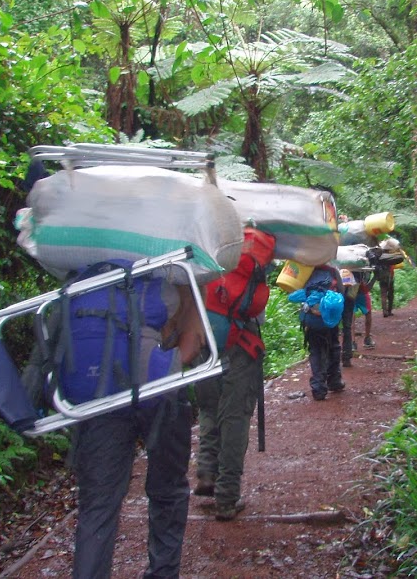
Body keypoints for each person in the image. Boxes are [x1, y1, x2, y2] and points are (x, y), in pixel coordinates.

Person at [71, 284, 205, 579]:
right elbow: (193, 341)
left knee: (98, 504)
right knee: (168, 490)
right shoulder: (178, 269)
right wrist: (164, 366)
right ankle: (162, 573)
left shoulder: (92, 271)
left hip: (101, 388)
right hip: (160, 390)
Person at [193, 227, 275, 522]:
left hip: (203, 340)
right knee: (235, 417)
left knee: (208, 408)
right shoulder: (252, 262)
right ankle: (227, 497)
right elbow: (257, 312)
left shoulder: (207, 246)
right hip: (241, 347)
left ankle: (205, 472)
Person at [295, 264, 345, 400]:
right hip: (329, 317)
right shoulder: (333, 270)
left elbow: (296, 290)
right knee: (333, 347)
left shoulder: (304, 269)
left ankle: (318, 389)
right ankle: (334, 381)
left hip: (310, 318)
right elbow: (341, 291)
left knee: (316, 351)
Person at [341, 269, 375, 367]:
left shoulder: (366, 271)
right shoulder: (349, 270)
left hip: (361, 293)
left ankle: (365, 339)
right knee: (352, 317)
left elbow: (367, 288)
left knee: (366, 314)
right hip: (353, 293)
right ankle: (353, 342)